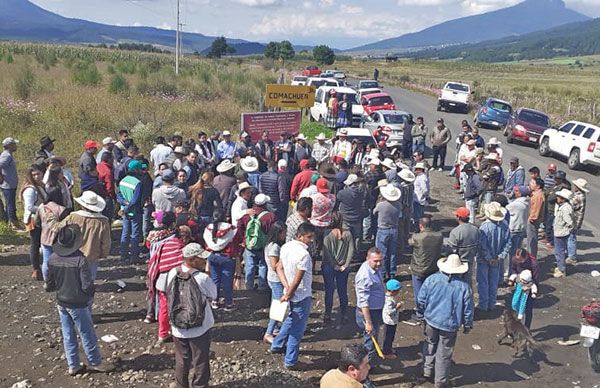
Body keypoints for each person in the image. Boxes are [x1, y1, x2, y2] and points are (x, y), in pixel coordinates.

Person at [45, 225, 114, 376]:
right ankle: (95, 362)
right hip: (78, 302)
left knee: (67, 333)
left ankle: (73, 365)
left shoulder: (52, 258)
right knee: (86, 332)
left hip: (61, 301)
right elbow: (87, 285)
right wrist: (90, 295)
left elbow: (49, 285)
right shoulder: (80, 260)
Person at [417, 254, 473, 388]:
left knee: (430, 344)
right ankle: (440, 381)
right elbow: (468, 310)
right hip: (450, 325)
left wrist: (420, 315)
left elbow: (421, 299)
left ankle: (427, 371)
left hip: (431, 319)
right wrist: (467, 324)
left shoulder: (432, 279)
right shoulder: (465, 288)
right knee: (444, 353)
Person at [166, 243, 217, 388]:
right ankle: (200, 385)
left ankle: (181, 385)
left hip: (178, 325)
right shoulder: (201, 277)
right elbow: (214, 295)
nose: (205, 261)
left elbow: (164, 290)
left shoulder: (172, 272)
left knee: (182, 358)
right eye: (202, 259)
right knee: (200, 359)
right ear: (193, 260)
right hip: (200, 326)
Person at [270, 222, 315, 369]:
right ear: (300, 236)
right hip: (301, 294)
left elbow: (279, 268)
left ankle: (277, 345)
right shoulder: (304, 255)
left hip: (290, 291)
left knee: (290, 319)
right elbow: (298, 277)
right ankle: (290, 360)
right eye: (309, 237)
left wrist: (286, 287)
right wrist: (290, 291)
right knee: (297, 329)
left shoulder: (286, 247)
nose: (311, 240)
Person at [52, 191, 110, 283]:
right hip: (92, 254)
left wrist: (51, 218)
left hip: (73, 252)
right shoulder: (103, 221)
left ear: (82, 205)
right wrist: (104, 253)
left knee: (74, 277)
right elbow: (106, 241)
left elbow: (57, 229)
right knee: (90, 278)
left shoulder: (73, 217)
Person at [203, 208, 242, 311]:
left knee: (215, 280)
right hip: (226, 257)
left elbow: (206, 244)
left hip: (212, 256)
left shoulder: (208, 228)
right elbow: (238, 241)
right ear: (225, 217)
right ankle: (228, 303)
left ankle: (214, 301)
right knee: (227, 281)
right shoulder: (232, 229)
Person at [237, 193, 276, 291]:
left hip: (249, 245)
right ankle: (262, 286)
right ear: (265, 204)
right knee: (263, 265)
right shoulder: (270, 216)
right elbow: (274, 230)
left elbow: (239, 227)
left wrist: (244, 240)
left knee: (250, 265)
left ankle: (248, 286)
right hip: (263, 245)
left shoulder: (247, 215)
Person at [322, 212, 354, 326]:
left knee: (329, 291)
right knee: (342, 291)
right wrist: (346, 264)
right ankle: (344, 314)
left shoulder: (327, 234)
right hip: (343, 267)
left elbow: (327, 252)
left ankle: (327, 314)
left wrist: (333, 264)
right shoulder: (348, 234)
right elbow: (351, 250)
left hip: (329, 266)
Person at [477, 202, 511, 312]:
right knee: (493, 282)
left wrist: (488, 258)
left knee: (483, 282)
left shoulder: (484, 227)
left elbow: (482, 245)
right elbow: (508, 244)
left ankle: (483, 305)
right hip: (497, 260)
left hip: (484, 259)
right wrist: (499, 257)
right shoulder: (505, 226)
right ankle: (491, 304)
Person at [355, 247, 385, 366]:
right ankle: (366, 368)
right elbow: (363, 302)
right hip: (369, 313)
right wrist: (368, 322)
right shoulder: (365, 276)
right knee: (370, 342)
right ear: (368, 259)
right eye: (375, 261)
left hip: (375, 310)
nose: (379, 263)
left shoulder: (371, 268)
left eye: (380, 260)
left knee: (372, 339)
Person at [409, 216, 443, 307]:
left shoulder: (417, 237)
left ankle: (420, 313)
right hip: (433, 267)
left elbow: (409, 242)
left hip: (418, 268)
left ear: (421, 226)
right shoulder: (439, 236)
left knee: (419, 292)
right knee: (431, 291)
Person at [263, 221, 288, 343]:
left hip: (272, 279)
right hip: (276, 280)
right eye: (284, 233)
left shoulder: (270, 245)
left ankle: (276, 328)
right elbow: (274, 266)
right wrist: (285, 260)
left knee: (277, 305)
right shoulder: (274, 248)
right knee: (278, 307)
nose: (285, 235)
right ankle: (268, 333)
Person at [21, 165, 47, 280]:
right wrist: (45, 209)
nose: (36, 176)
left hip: (41, 217)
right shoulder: (30, 189)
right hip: (34, 219)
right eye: (34, 175)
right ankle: (36, 269)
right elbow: (30, 207)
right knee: (35, 244)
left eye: (38, 174)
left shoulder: (40, 185)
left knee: (43, 243)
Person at [117, 160, 145, 263]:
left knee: (125, 233)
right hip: (134, 212)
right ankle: (134, 256)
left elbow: (118, 196)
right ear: (136, 170)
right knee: (135, 234)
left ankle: (123, 254)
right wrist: (128, 208)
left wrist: (124, 206)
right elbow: (135, 200)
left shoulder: (123, 181)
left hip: (124, 211)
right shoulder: (138, 183)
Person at [374, 184, 402, 279]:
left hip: (383, 229)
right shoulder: (398, 205)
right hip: (394, 229)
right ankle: (392, 272)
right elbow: (400, 216)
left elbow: (374, 212)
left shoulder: (381, 205)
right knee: (392, 252)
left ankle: (382, 273)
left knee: (382, 252)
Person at [508, 248, 539, 329]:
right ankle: (514, 327)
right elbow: (513, 269)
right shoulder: (514, 259)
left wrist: (529, 287)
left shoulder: (533, 263)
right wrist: (514, 278)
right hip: (519, 285)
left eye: (520, 260)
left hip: (529, 287)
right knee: (514, 306)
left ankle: (526, 328)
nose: (518, 262)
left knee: (528, 309)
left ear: (525, 257)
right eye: (517, 260)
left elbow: (536, 279)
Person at [447, 207, 479, 285]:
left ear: (459, 217)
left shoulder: (456, 232)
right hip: (470, 260)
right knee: (468, 283)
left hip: (458, 263)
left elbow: (451, 249)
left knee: (456, 283)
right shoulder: (476, 229)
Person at [505, 185, 530, 277]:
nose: (514, 192)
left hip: (513, 229)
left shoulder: (516, 204)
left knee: (511, 253)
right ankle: (515, 270)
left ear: (520, 193)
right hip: (521, 229)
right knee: (517, 251)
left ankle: (510, 272)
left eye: (516, 191)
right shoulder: (527, 202)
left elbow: (505, 209)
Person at [553, 189, 575, 278]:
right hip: (559, 231)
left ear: (563, 199)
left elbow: (569, 222)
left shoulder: (565, 208)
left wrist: (566, 229)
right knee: (559, 251)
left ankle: (562, 270)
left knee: (560, 251)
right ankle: (560, 266)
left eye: (559, 197)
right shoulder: (563, 206)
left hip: (561, 233)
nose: (557, 198)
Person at [0, 137, 21, 228]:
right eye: (14, 144)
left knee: (11, 203)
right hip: (7, 184)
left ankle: (12, 221)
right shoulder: (6, 156)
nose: (15, 146)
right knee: (10, 204)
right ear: (9, 145)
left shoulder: (8, 155)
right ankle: (12, 223)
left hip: (10, 183)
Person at [567, 178, 588, 265]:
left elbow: (570, 205)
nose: (574, 187)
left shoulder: (578, 197)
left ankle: (572, 257)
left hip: (574, 221)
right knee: (571, 237)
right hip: (576, 221)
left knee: (571, 238)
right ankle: (570, 254)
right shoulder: (580, 195)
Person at [382, 279, 403, 360]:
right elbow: (389, 312)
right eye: (397, 291)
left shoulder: (388, 297)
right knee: (388, 337)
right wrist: (397, 307)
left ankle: (388, 349)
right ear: (392, 291)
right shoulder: (389, 301)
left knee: (390, 336)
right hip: (389, 321)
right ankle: (386, 352)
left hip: (391, 320)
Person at [527, 177, 545, 258]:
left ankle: (531, 258)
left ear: (538, 186)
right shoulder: (535, 194)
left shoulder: (538, 196)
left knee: (532, 240)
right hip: (533, 219)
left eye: (533, 183)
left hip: (533, 220)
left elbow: (536, 209)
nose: (530, 184)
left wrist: (531, 218)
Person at [96, 152, 115, 222]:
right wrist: (112, 196)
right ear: (109, 159)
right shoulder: (108, 171)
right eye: (112, 158)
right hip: (106, 196)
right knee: (107, 217)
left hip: (98, 194)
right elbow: (109, 186)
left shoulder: (97, 166)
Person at [413, 162, 429, 232]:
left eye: (417, 169)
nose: (415, 170)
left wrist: (423, 196)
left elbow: (425, 190)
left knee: (418, 217)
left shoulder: (422, 178)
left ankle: (418, 229)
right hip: (418, 199)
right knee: (417, 215)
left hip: (419, 200)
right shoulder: (420, 177)